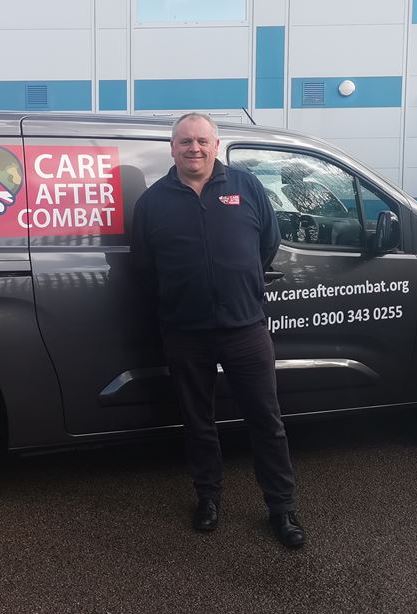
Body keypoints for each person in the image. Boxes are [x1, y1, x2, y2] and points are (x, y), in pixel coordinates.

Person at [131, 112, 304, 547]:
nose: (194, 148)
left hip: (245, 327)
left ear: (216, 144)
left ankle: (281, 509)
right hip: (185, 332)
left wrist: (237, 286)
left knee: (267, 421)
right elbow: (145, 268)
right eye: (185, 141)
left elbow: (268, 245)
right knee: (197, 421)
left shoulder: (246, 187)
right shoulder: (153, 203)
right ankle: (208, 498)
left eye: (202, 141)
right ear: (172, 148)